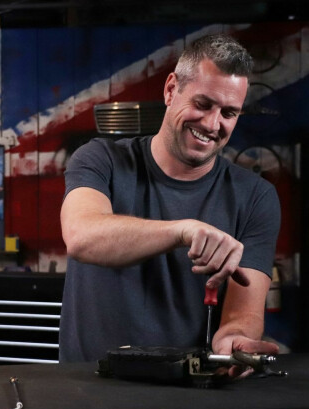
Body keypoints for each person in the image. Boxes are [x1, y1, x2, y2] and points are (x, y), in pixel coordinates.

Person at [58, 34, 281, 374]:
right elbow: (81, 236)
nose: (212, 124)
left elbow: (242, 314)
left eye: (229, 113)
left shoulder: (255, 197)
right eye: (203, 104)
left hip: (186, 389)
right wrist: (183, 231)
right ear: (170, 89)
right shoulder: (101, 160)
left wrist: (235, 342)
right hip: (88, 384)